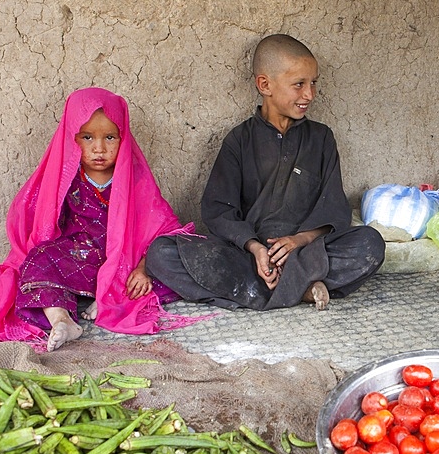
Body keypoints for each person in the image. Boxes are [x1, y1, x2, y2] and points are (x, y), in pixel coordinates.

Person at [0, 87, 209, 350]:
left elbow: (161, 230)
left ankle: (110, 296)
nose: (99, 148)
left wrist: (143, 268)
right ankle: (62, 320)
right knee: (38, 259)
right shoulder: (67, 178)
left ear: (124, 138)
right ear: (72, 138)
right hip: (79, 258)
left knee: (165, 267)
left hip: (122, 260)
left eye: (110, 137)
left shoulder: (134, 180)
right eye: (87, 137)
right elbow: (42, 220)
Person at [146, 34, 385, 311]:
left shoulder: (321, 139)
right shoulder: (239, 141)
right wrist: (255, 248)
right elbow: (218, 211)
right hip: (248, 257)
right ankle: (302, 288)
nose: (309, 94)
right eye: (299, 84)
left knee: (370, 243)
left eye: (313, 83)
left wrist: (299, 240)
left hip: (307, 251)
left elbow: (334, 208)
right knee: (162, 253)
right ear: (265, 85)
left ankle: (258, 290)